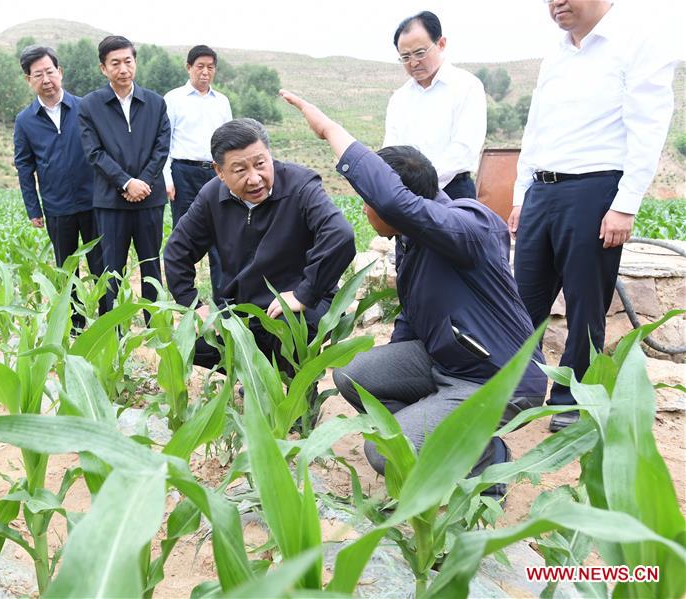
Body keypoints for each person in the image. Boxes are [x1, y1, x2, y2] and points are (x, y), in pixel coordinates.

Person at [281, 90, 546, 489]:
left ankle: (487, 460)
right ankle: (440, 430)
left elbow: (392, 198)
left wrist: (329, 129)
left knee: (386, 453)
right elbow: (413, 317)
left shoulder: (466, 225)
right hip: (449, 364)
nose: (365, 211)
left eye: (369, 203)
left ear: (392, 206)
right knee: (355, 377)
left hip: (496, 381)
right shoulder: (413, 239)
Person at [507, 0, 677, 431]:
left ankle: (571, 400)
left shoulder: (636, 41)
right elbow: (536, 126)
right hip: (541, 190)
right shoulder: (557, 53)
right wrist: (521, 193)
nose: (555, 3)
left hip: (595, 189)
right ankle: (519, 391)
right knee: (523, 300)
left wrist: (625, 204)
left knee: (585, 304)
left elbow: (648, 125)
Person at [163, 118, 355, 371]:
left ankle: (300, 397)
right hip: (244, 303)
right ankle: (256, 377)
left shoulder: (300, 185)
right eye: (240, 170)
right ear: (219, 172)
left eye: (261, 164)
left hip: (303, 301)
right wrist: (192, 306)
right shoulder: (211, 196)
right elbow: (177, 250)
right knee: (193, 343)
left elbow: (340, 234)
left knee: (289, 334)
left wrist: (305, 293)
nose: (255, 178)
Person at [78, 35, 171, 316]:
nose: (123, 69)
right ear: (103, 68)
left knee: (151, 265)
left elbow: (162, 146)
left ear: (135, 63)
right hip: (111, 202)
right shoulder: (90, 105)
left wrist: (143, 182)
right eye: (115, 63)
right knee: (111, 269)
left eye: (127, 61)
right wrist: (126, 182)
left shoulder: (155, 103)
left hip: (150, 200)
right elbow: (93, 152)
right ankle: (112, 328)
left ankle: (155, 324)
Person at [14, 45, 105, 329]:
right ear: (29, 80)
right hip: (57, 207)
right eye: (38, 75)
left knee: (101, 265)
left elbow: (106, 151)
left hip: (94, 201)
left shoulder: (86, 108)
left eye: (50, 72)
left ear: (60, 72)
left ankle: (110, 321)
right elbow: (24, 167)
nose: (46, 80)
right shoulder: (25, 121)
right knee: (67, 270)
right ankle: (76, 324)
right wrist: (33, 208)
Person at [383, 11, 486, 200]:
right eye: (405, 57)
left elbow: (464, 149)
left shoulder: (466, 86)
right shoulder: (399, 98)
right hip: (408, 196)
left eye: (420, 53)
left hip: (453, 191)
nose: (413, 62)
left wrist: (421, 186)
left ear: (441, 43)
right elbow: (391, 150)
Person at [163, 45, 233, 305]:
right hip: (184, 173)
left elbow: (230, 142)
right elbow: (165, 143)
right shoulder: (173, 99)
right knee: (185, 238)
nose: (205, 72)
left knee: (223, 237)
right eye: (200, 66)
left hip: (216, 173)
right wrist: (167, 178)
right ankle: (186, 301)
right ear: (188, 67)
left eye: (210, 67)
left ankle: (224, 302)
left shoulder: (222, 101)